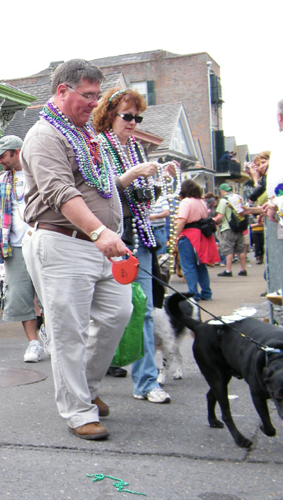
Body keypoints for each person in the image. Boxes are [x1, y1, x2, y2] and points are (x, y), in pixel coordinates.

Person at [20, 59, 159, 441]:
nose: (95, 105)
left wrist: (112, 214)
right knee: (70, 331)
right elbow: (61, 193)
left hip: (101, 244)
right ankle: (78, 411)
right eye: (88, 96)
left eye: (98, 96)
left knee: (119, 313)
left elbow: (97, 181)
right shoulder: (44, 135)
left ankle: (88, 389)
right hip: (63, 243)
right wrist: (99, 231)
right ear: (62, 91)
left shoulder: (84, 134)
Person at [92, 87, 174, 404]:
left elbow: (144, 196)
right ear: (110, 116)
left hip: (140, 238)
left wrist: (153, 180)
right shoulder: (98, 146)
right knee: (110, 313)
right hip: (112, 241)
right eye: (128, 116)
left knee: (144, 311)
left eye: (137, 118)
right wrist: (131, 175)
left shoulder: (138, 150)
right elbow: (100, 192)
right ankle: (91, 378)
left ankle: (146, 382)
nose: (133, 122)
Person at [0, 135, 45, 362]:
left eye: (3, 155)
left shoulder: (40, 173)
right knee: (20, 296)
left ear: (17, 152)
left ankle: (50, 335)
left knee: (49, 296)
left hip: (42, 242)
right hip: (15, 247)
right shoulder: (1, 181)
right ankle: (33, 343)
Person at [174, 179, 220, 300]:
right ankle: (206, 292)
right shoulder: (201, 202)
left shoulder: (185, 202)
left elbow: (182, 220)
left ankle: (193, 294)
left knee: (188, 266)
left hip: (188, 235)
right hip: (201, 235)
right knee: (200, 266)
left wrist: (174, 236)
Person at [214, 183, 249, 276]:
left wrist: (214, 220)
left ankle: (228, 270)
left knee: (228, 249)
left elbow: (220, 216)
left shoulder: (223, 201)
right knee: (241, 249)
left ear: (222, 191)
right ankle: (243, 269)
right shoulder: (238, 198)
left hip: (228, 228)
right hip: (239, 227)